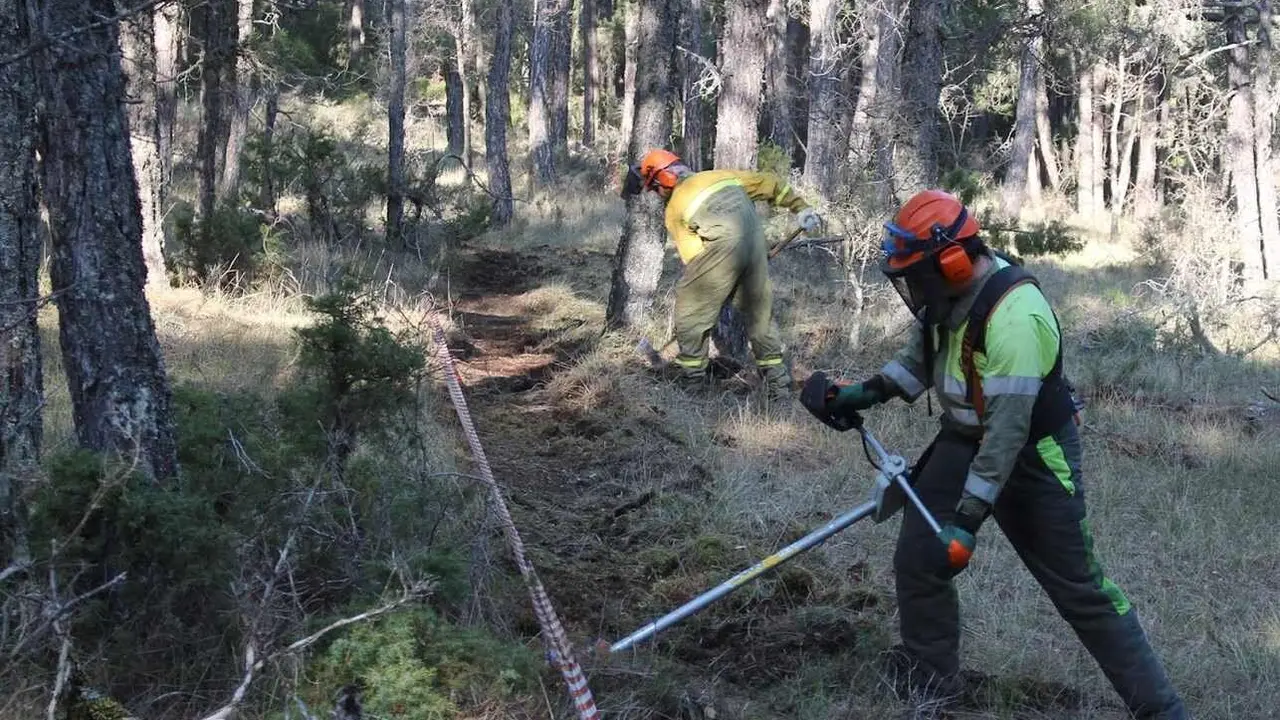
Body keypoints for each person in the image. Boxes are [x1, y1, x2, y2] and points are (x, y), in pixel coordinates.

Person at [800, 189, 1188, 719]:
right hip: (963, 440)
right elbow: (918, 363)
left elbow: (1006, 435)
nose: (912, 289)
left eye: (917, 275)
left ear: (954, 262)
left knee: (1082, 591)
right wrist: (862, 393)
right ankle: (931, 682)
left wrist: (965, 522)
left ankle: (1162, 710)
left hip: (1032, 457)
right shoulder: (942, 295)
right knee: (919, 557)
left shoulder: (1015, 316)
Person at [626, 148, 823, 397]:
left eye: (654, 187)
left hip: (723, 248)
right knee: (759, 317)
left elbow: (694, 258)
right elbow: (772, 184)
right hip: (756, 246)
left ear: (664, 179)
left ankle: (693, 384)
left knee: (690, 312)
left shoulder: (674, 208)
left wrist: (714, 292)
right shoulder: (721, 176)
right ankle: (779, 385)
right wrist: (800, 208)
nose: (657, 192)